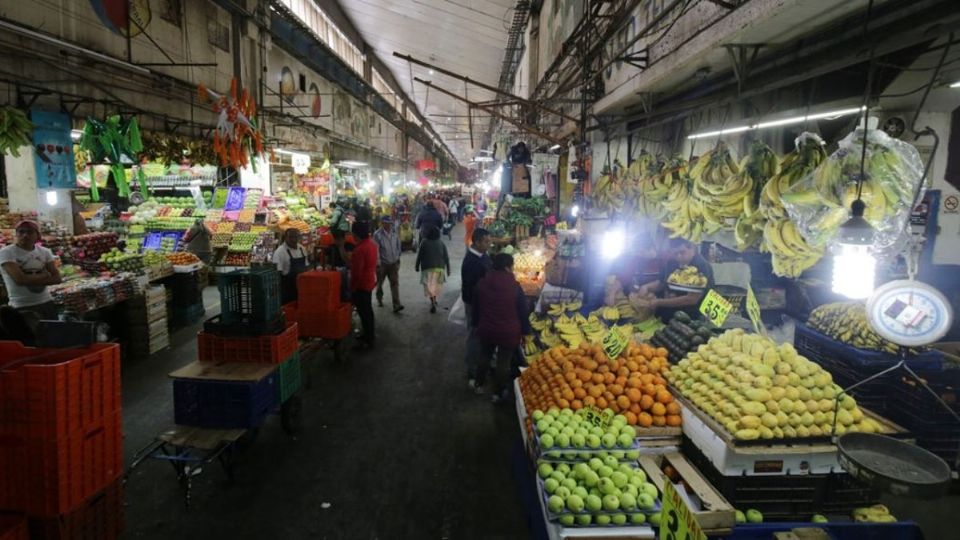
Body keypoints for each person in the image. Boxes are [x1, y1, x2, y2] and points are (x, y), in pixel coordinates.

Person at [472, 253, 532, 403]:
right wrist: (525, 331)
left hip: (487, 328)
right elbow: (522, 311)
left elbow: (476, 307)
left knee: (484, 356)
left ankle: (478, 384)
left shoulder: (482, 283)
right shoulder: (515, 287)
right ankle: (497, 393)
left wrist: (476, 324)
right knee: (503, 363)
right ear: (507, 267)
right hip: (508, 332)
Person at [637, 237, 714, 321]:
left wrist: (659, 302)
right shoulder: (672, 262)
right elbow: (662, 283)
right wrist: (647, 287)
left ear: (692, 248)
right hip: (672, 313)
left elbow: (691, 299)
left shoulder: (701, 265)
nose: (679, 256)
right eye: (675, 253)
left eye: (682, 252)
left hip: (694, 316)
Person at [0, 220, 62, 321]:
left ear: (37, 235)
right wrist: (44, 275)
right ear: (16, 234)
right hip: (22, 305)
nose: (25, 235)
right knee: (27, 336)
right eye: (21, 232)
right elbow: (20, 280)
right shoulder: (6, 252)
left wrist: (28, 278)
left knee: (52, 334)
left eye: (29, 232)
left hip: (47, 302)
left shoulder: (45, 252)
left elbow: (57, 279)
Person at [462, 228, 493, 392]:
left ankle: (481, 367)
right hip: (475, 304)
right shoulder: (472, 262)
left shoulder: (481, 256)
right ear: (479, 242)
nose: (490, 244)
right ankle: (473, 372)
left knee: (478, 336)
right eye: (487, 241)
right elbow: (473, 288)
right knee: (474, 335)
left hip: (481, 303)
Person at [350, 221, 378, 349]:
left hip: (361, 285)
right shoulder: (371, 244)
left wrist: (352, 288)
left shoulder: (359, 249)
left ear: (356, 234)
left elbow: (357, 273)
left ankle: (368, 340)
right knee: (368, 312)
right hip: (369, 282)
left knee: (364, 313)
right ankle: (369, 335)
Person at [414, 225, 450, 313]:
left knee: (430, 287)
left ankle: (433, 301)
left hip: (427, 269)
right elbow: (446, 257)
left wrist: (417, 266)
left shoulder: (424, 242)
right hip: (439, 269)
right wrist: (448, 269)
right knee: (435, 286)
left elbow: (420, 255)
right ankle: (434, 300)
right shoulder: (441, 243)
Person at [373, 216, 404, 313]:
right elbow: (376, 250)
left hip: (393, 263)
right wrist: (377, 264)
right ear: (382, 223)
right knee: (380, 283)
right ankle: (379, 298)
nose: (389, 225)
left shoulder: (395, 233)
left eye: (390, 223)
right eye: (387, 223)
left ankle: (396, 304)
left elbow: (398, 245)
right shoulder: (377, 235)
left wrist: (398, 257)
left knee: (394, 284)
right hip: (382, 264)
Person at [273, 228, 311, 304]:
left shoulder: (301, 249)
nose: (294, 239)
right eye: (291, 237)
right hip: (288, 290)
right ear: (285, 237)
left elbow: (306, 267)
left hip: (301, 288)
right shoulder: (280, 252)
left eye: (296, 237)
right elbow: (277, 273)